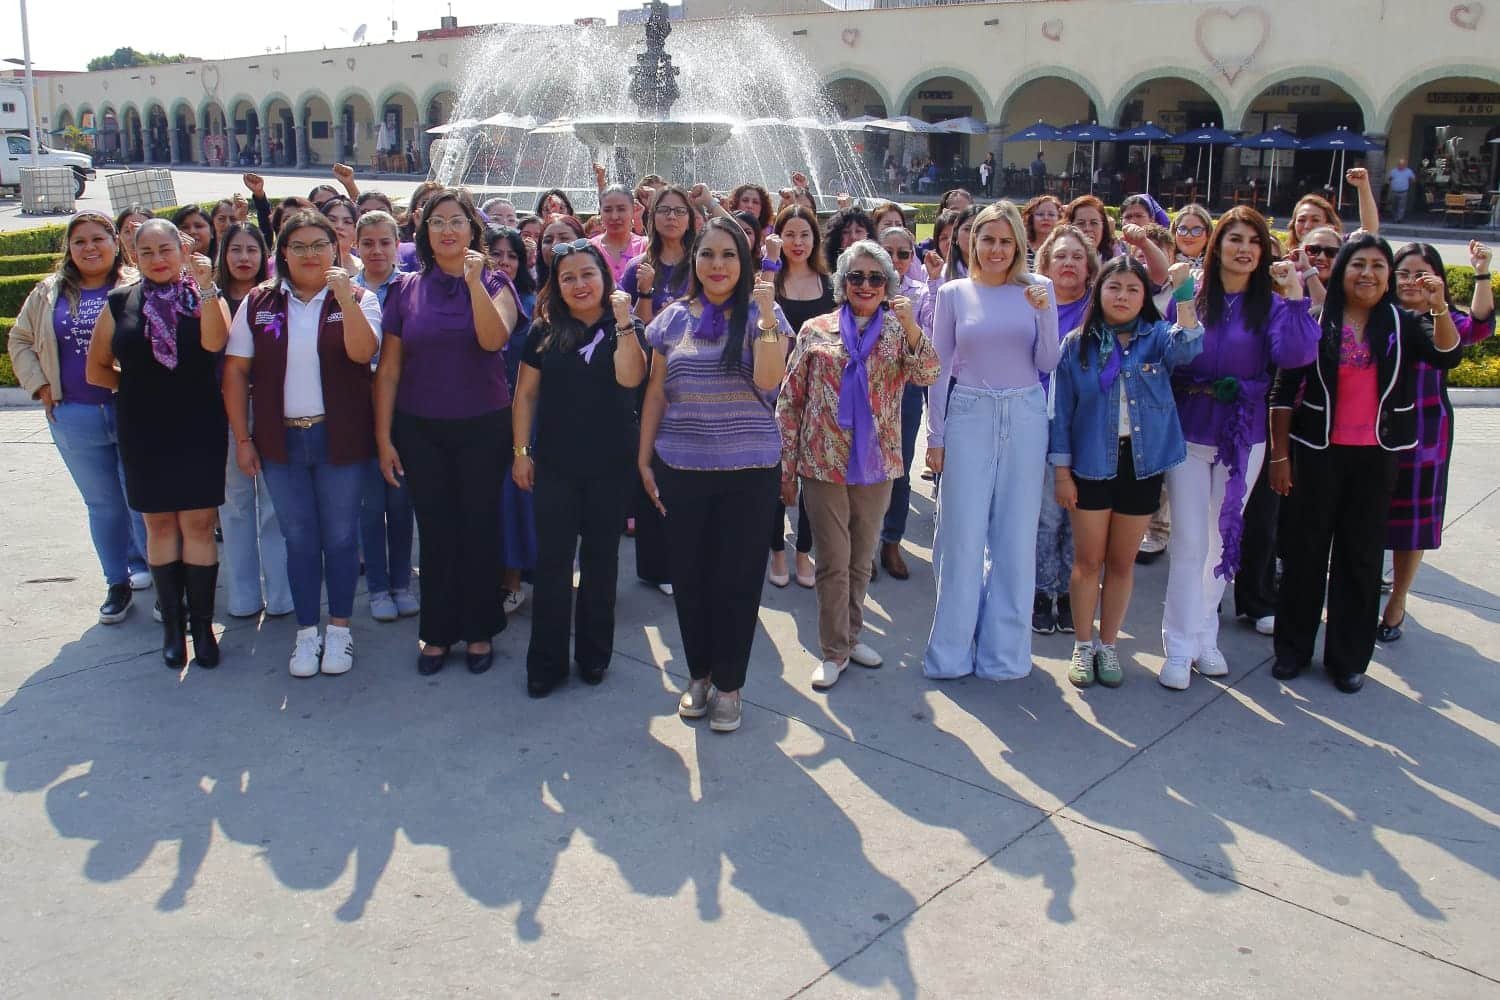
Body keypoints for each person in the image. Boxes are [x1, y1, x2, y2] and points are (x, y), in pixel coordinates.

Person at [1269, 234, 1461, 692]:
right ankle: (1292, 650)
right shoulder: (1318, 318)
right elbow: (1282, 391)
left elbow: (1447, 355)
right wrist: (1279, 456)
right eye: (1358, 264)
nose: (1367, 274)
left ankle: (1348, 658)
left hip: (1376, 459)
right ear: (1342, 272)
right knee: (1304, 554)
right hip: (1317, 453)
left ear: (1388, 275)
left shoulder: (1402, 323)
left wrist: (1438, 307)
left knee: (1361, 559)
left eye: (1378, 265)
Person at [637, 218, 791, 732]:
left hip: (749, 471)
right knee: (690, 579)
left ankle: (730, 686)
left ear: (744, 262)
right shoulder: (672, 319)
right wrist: (643, 458)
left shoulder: (765, 314)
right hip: (683, 468)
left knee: (738, 582)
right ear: (694, 261)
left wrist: (765, 314)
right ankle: (699, 675)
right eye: (707, 254)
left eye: (729, 255)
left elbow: (769, 379)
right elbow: (656, 391)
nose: (717, 265)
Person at [1159, 206, 1319, 691]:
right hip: (1189, 432)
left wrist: (1295, 295)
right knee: (1189, 543)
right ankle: (1178, 646)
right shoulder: (1191, 295)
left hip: (1242, 436)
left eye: (1254, 240)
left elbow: (1297, 355)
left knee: (1222, 540)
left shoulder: (1271, 305)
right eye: (1235, 239)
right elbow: (1169, 352)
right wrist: (1179, 299)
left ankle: (1205, 636)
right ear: (1217, 245)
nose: (1244, 248)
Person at [223, 210, 382, 677]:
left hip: (340, 438)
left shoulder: (359, 296)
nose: (310, 254)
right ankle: (306, 632)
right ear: (283, 253)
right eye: (299, 246)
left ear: (336, 248)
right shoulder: (259, 302)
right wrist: (243, 438)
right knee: (298, 538)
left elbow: (363, 352)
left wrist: (344, 297)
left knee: (340, 536)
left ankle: (340, 630)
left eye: (319, 245)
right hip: (281, 441)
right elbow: (236, 371)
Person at [375, 189, 522, 676]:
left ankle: (480, 629)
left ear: (472, 230)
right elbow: (389, 370)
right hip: (420, 428)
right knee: (436, 530)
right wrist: (384, 437)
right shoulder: (405, 289)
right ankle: (437, 632)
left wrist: (474, 282)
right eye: (437, 222)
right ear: (424, 231)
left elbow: (493, 340)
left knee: (479, 526)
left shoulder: (497, 282)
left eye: (456, 221)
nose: (447, 230)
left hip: (483, 425)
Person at [779, 240, 938, 688]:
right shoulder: (816, 329)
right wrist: (786, 466)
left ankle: (851, 637)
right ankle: (833, 650)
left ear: (888, 285)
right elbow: (790, 400)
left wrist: (911, 324)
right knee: (833, 558)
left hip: (876, 463)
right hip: (823, 461)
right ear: (842, 283)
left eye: (875, 278)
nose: (865, 285)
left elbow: (928, 372)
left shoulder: (897, 331)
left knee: (861, 557)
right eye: (856, 277)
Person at [924, 202, 1060, 680]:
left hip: (1025, 413)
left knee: (1015, 538)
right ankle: (951, 654)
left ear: (1018, 244)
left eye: (1006, 241)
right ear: (972, 242)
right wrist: (936, 435)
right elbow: (938, 367)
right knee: (961, 537)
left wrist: (1045, 316)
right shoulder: (954, 293)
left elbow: (1047, 363)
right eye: (988, 240)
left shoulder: (1038, 289)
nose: (996, 250)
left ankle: (1004, 656)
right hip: (970, 413)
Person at [1052, 256, 1202, 687]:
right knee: (1088, 561)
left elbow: (1190, 345)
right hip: (1090, 466)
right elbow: (1061, 414)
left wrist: (1185, 293)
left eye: (1133, 289)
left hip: (1141, 466)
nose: (1122, 296)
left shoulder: (1157, 338)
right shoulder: (1076, 345)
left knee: (1121, 563)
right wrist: (1062, 473)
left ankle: (1109, 645)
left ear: (1145, 296)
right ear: (1098, 291)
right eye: (1114, 287)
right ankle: (1083, 645)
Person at [85, 219, 229, 669]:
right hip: (144, 429)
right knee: (160, 526)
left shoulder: (204, 297)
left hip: (199, 425)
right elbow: (96, 368)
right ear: (134, 256)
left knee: (199, 525)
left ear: (183, 250)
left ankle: (202, 627)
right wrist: (135, 391)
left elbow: (215, 342)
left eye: (165, 249)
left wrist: (207, 288)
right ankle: (172, 628)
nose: (157, 259)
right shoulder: (119, 302)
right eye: (146, 252)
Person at [512, 244, 648, 697]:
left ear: (605, 277)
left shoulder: (627, 326)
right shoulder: (544, 329)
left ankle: (594, 655)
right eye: (567, 277)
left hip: (611, 465)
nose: (579, 284)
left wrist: (624, 321)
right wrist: (520, 451)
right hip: (555, 465)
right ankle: (545, 664)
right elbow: (525, 395)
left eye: (588, 274)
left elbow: (631, 378)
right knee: (552, 563)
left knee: (600, 561)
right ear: (556, 285)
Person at [8, 212, 151, 622]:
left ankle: (161, 582)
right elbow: (19, 339)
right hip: (75, 415)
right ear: (69, 248)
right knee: (103, 505)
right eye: (79, 241)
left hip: (132, 411)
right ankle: (117, 582)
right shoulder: (48, 292)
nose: (90, 248)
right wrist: (40, 385)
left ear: (115, 242)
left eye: (98, 239)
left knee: (142, 501)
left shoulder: (137, 285)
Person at [1379, 241, 1494, 641]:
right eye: (1403, 273)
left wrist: (1481, 271)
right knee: (1368, 512)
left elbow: (1479, 326)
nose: (1411, 281)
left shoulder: (1442, 319)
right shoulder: (1379, 314)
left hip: (1426, 431)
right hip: (1374, 429)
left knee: (1413, 519)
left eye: (1421, 274)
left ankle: (1397, 600)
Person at [213, 221, 294, 620]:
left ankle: (281, 594)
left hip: (275, 409)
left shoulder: (278, 297)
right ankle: (244, 596)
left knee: (276, 505)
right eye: (235, 249)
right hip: (225, 412)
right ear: (223, 255)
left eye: (252, 249)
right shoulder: (209, 299)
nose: (244, 258)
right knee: (236, 505)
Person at [621, 185, 700, 595]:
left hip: (693, 376)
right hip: (650, 376)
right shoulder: (639, 266)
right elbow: (635, 328)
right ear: (651, 218)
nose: (671, 217)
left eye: (679, 210)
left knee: (688, 468)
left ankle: (693, 556)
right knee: (651, 461)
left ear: (691, 218)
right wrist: (646, 291)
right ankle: (657, 566)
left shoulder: (702, 263)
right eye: (663, 210)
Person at [1032, 224, 1100, 633]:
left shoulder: (1100, 306)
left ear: (1090, 266)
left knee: (1080, 519)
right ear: (1045, 264)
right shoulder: (1032, 304)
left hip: (1088, 426)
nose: (1069, 263)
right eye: (1060, 256)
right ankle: (1043, 591)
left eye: (1077, 256)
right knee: (1046, 517)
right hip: (1039, 422)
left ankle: (1073, 593)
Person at [353, 210, 418, 623]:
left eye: (385, 242)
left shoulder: (412, 288)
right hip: (359, 409)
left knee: (400, 500)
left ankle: (401, 582)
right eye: (368, 243)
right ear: (355, 247)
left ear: (398, 245)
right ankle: (377, 586)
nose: (376, 250)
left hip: (405, 407)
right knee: (370, 503)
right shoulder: (346, 290)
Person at [769, 204, 833, 588]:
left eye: (804, 234)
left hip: (818, 393)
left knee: (812, 474)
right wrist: (768, 263)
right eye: (789, 234)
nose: (797, 242)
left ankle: (803, 550)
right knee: (776, 472)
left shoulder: (829, 284)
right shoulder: (769, 281)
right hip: (774, 389)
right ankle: (777, 548)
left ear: (815, 239)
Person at [486, 224, 540, 615]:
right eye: (496, 253)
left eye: (512, 255)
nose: (504, 262)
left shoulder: (534, 304)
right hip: (478, 414)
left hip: (523, 416)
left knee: (517, 499)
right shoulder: (469, 296)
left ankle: (513, 581)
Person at [875, 225, 932, 579]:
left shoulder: (921, 293)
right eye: (888, 252)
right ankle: (864, 545)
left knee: (899, 467)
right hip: (866, 389)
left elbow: (930, 346)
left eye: (903, 253)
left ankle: (891, 541)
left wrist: (909, 320)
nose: (895, 260)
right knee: (863, 467)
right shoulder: (862, 285)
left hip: (906, 390)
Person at [591, 184, 648, 285]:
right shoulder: (590, 248)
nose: (614, 216)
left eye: (621, 209)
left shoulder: (646, 246)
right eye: (607, 210)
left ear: (633, 210)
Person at [1022, 195, 1063, 270]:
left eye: (1051, 214)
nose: (1046, 218)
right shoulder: (1020, 247)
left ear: (1059, 218)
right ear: (1031, 218)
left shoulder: (1063, 248)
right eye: (1040, 214)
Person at [1386, 159, 1418, 223]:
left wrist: (1408, 183)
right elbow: (1389, 178)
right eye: (1400, 164)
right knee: (1393, 205)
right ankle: (1395, 217)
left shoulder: (1408, 171)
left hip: (1403, 191)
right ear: (1397, 165)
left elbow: (1413, 180)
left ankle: (1399, 219)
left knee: (1401, 206)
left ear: (1405, 165)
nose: (1401, 166)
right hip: (1394, 191)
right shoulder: (1393, 171)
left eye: (1402, 164)